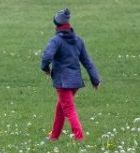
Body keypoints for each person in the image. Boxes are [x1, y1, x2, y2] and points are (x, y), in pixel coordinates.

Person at [40, 8, 100, 141]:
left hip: (63, 82)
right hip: (75, 82)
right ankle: (54, 137)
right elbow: (87, 61)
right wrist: (95, 79)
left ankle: (79, 138)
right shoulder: (78, 40)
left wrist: (45, 68)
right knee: (60, 109)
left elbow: (47, 56)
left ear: (56, 24)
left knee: (69, 109)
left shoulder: (56, 40)